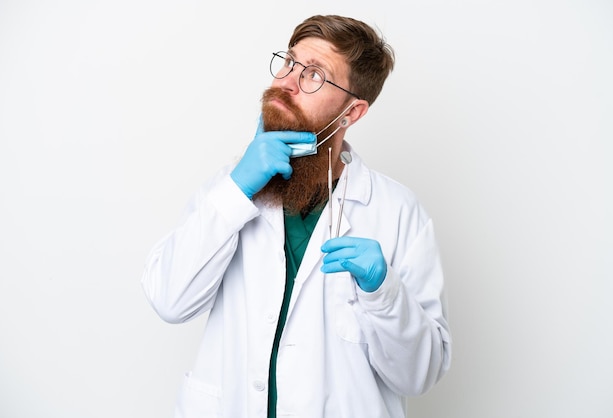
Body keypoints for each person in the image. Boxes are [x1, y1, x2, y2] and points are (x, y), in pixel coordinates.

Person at [141, 14, 451, 418]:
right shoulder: (231, 188)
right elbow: (169, 299)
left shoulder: (396, 212)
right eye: (289, 62)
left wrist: (384, 293)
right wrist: (237, 189)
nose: (286, 81)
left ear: (352, 113)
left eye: (314, 75)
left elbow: (419, 376)